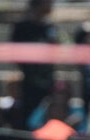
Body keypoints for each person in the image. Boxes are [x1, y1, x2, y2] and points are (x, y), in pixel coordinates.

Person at [9, 0, 59, 128]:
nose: (51, 5)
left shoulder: (49, 27)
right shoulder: (21, 27)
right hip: (28, 86)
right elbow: (14, 53)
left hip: (48, 85)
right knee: (26, 124)